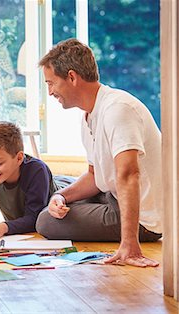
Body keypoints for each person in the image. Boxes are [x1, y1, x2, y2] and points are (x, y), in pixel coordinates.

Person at [35, 38, 162, 267]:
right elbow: (95, 176)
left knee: (46, 220)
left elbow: (129, 175)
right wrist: (61, 196)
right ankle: (62, 198)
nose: (51, 92)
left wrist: (129, 244)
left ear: (72, 77)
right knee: (58, 188)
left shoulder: (117, 110)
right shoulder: (90, 113)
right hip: (112, 195)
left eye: (51, 83)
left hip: (144, 218)